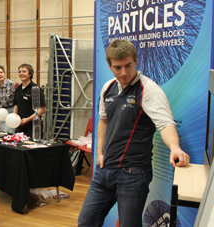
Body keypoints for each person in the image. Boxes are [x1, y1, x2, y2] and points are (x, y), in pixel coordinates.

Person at [77, 40, 190, 227]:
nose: (123, 72)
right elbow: (103, 120)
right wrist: (99, 153)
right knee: (86, 221)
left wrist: (175, 147)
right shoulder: (108, 88)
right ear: (110, 66)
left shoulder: (149, 90)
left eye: (128, 65)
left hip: (133, 173)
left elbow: (165, 124)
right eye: (118, 67)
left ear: (136, 62)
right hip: (104, 172)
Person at [13, 63, 46, 137]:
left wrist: (28, 119)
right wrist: (14, 117)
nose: (21, 73)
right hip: (19, 127)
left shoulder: (36, 89)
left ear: (30, 74)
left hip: (33, 128)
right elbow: (16, 105)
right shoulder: (18, 89)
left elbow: (42, 109)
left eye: (24, 71)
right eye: (20, 72)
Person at [0, 65, 18, 133]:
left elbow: (17, 101)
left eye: (1, 72)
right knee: (2, 132)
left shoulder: (12, 84)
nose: (0, 74)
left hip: (11, 111)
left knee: (9, 132)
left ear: (4, 73)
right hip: (2, 112)